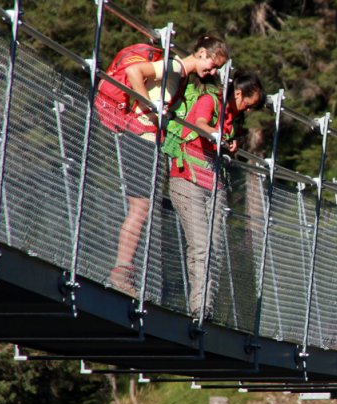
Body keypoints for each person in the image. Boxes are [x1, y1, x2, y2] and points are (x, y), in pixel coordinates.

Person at [108, 34, 229, 297]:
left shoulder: (180, 75)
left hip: (146, 141)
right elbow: (134, 71)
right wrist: (148, 105)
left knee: (142, 208)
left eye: (218, 68)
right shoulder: (174, 67)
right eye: (212, 63)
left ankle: (123, 271)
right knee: (140, 209)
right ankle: (121, 273)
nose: (213, 70)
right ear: (200, 53)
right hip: (142, 139)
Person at [167, 71, 264, 319]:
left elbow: (222, 138)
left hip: (214, 184)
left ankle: (205, 308)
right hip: (188, 177)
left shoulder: (234, 117)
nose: (249, 111)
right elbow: (200, 124)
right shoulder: (211, 100)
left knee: (216, 248)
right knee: (201, 246)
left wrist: (233, 143)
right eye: (248, 104)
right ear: (239, 93)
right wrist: (218, 134)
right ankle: (199, 308)